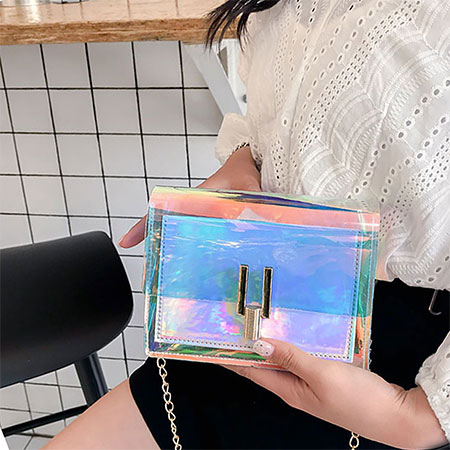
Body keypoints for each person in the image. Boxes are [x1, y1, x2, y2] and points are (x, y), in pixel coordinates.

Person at [45, 0, 450, 449]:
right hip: (252, 311)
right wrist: (243, 164)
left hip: (400, 370)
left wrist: (417, 418)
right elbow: (265, 125)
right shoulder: (278, 8)